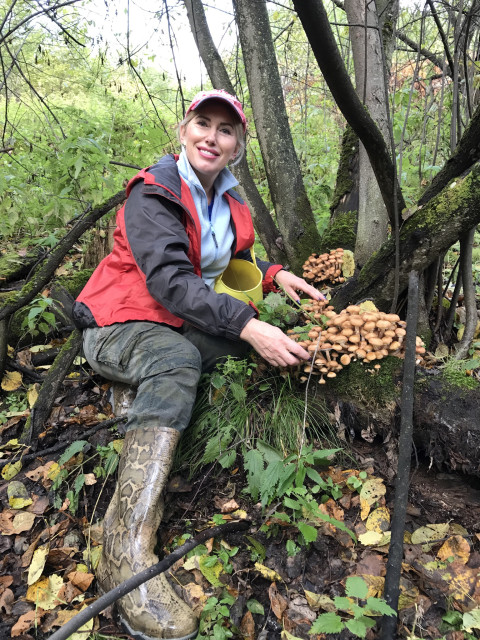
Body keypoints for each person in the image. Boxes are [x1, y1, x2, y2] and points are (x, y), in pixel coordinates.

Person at [72, 89, 322, 640]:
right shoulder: (155, 191)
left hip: (176, 318)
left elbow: (235, 260)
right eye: (202, 124)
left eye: (225, 130)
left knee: (249, 351)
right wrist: (250, 323)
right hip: (120, 321)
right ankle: (125, 543)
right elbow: (169, 281)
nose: (212, 136)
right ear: (184, 131)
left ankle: (139, 399)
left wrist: (276, 274)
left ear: (237, 147)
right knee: (180, 357)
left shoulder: (230, 202)